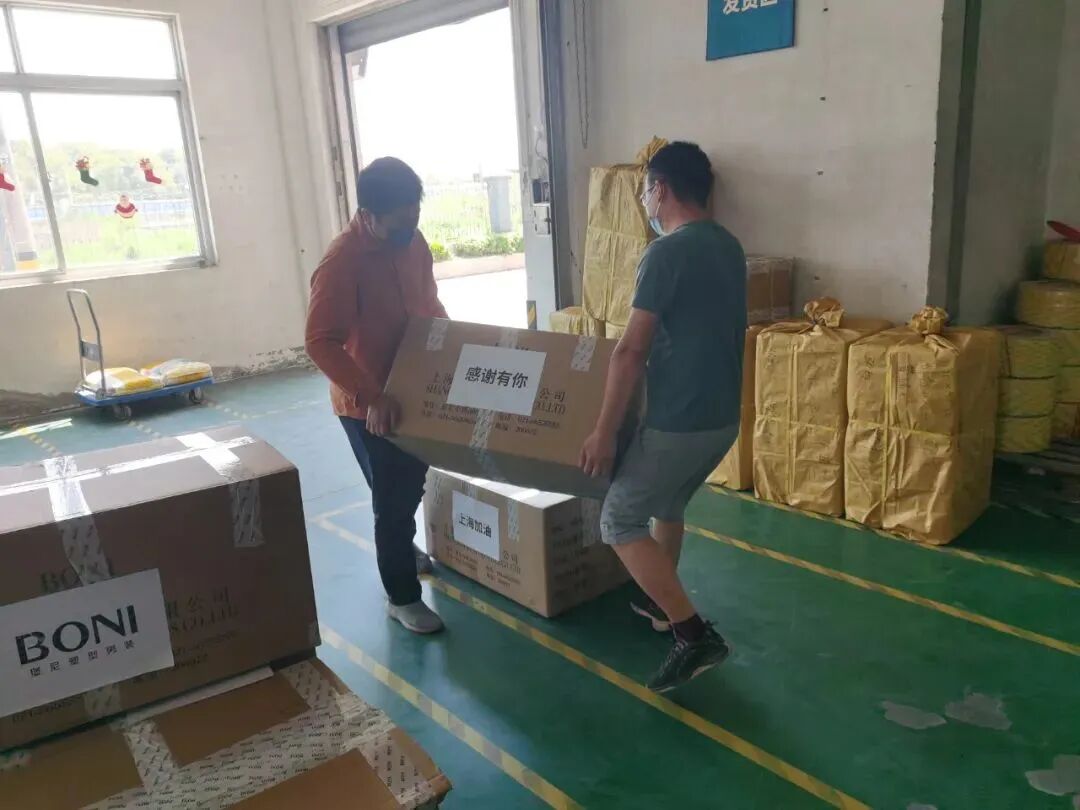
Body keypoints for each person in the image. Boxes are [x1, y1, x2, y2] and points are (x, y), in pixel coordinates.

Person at [580, 141, 747, 693]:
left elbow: (630, 351)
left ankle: (692, 634)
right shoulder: (728, 245)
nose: (646, 201)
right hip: (722, 419)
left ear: (662, 189)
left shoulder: (665, 254)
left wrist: (604, 432)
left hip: (678, 421)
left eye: (646, 190)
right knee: (669, 504)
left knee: (618, 520)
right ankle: (660, 604)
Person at [306, 157, 447, 635]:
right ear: (368, 214)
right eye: (398, 224)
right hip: (366, 402)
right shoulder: (342, 262)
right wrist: (371, 396)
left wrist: (452, 343)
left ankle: (402, 547)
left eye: (415, 216)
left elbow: (429, 302)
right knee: (392, 498)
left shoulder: (413, 242)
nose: (410, 230)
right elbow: (319, 341)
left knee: (406, 484)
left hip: (411, 387)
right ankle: (402, 597)